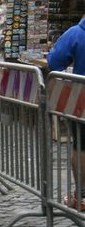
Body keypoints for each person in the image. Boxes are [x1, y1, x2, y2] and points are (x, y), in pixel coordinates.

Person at [48, 15, 85, 211]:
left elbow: (55, 61)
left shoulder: (77, 33)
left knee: (81, 147)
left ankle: (82, 195)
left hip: (83, 101)